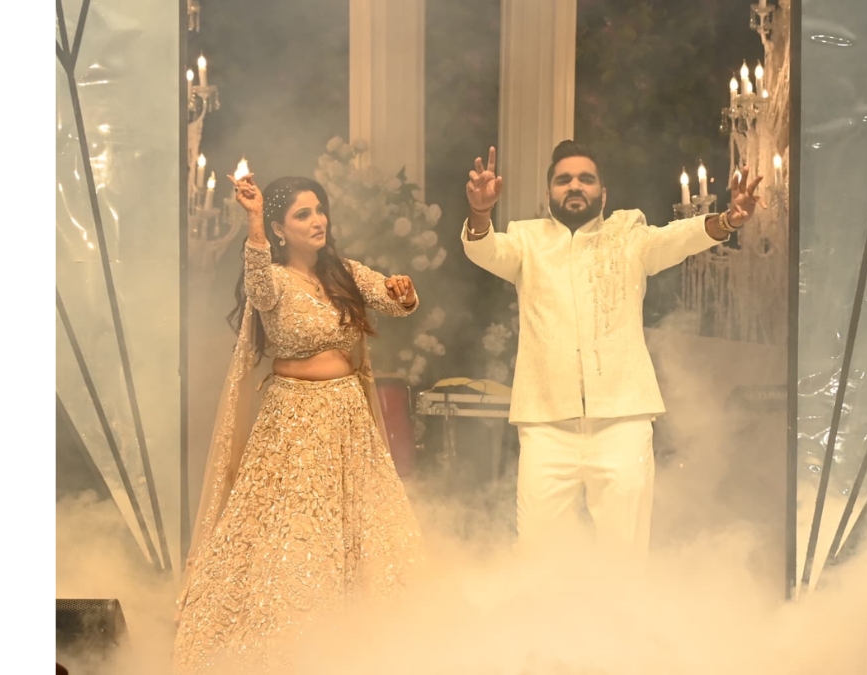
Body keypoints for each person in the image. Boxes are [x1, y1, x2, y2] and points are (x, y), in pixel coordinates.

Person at [460, 141, 762, 562]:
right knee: (538, 554)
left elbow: (677, 238)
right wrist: (480, 213)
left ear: (603, 194)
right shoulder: (526, 240)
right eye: (564, 180)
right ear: (549, 193)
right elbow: (485, 249)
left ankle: (623, 608)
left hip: (623, 420)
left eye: (586, 179)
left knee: (625, 551)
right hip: (547, 423)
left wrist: (727, 220)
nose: (575, 186)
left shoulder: (628, 235)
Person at [172, 174, 425, 673]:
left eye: (320, 210)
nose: (317, 221)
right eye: (303, 214)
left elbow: (394, 302)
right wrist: (253, 221)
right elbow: (258, 288)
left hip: (348, 419)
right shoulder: (273, 278)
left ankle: (358, 646)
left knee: (361, 528)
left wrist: (404, 290)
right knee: (296, 534)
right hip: (292, 421)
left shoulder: (344, 273)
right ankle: (290, 648)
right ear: (280, 229)